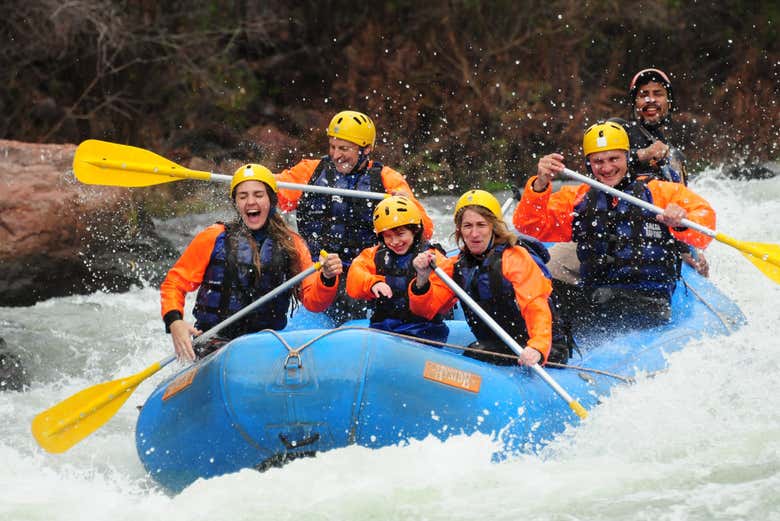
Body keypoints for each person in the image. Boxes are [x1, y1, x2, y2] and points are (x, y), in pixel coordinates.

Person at [513, 121, 716, 329]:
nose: (607, 168)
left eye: (614, 159)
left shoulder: (661, 193)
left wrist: (681, 222)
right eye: (598, 161)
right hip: (595, 301)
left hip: (646, 305)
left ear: (627, 157)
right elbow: (530, 225)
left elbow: (705, 225)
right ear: (588, 164)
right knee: (538, 291)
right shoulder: (578, 198)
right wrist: (540, 184)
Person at [160, 164, 343, 361]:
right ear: (235, 203)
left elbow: (314, 302)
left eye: (258, 195)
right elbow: (174, 284)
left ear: (271, 199)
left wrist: (326, 278)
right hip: (214, 342)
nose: (250, 202)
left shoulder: (293, 245)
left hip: (267, 344)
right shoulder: (213, 237)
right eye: (243, 196)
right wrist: (175, 321)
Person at [275, 110, 434, 325]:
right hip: (317, 265)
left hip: (364, 271)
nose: (335, 154)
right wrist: (256, 183)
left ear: (366, 149)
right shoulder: (309, 172)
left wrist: (407, 203)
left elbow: (424, 231)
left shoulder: (387, 179)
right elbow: (273, 193)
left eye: (344, 148)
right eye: (332, 147)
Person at [409, 190, 554, 366]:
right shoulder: (456, 266)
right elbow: (426, 310)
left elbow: (535, 306)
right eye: (468, 226)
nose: (474, 234)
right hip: (498, 345)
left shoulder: (515, 258)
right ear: (460, 230)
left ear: (494, 227)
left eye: (481, 225)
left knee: (476, 352)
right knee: (476, 351)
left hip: (542, 346)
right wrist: (422, 280)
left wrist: (537, 347)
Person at [622, 67, 709, 276]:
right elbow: (600, 166)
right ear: (635, 102)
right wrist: (643, 154)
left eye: (657, 94)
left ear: (668, 102)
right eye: (644, 95)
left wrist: (690, 248)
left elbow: (680, 205)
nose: (650, 100)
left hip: (658, 240)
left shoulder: (674, 156)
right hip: (622, 234)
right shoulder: (619, 131)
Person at [346, 196, 449, 343]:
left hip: (424, 331)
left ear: (415, 230)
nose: (395, 242)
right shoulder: (374, 255)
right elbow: (354, 276)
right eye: (388, 236)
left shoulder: (432, 257)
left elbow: (442, 300)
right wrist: (373, 283)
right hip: (384, 329)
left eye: (401, 234)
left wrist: (422, 281)